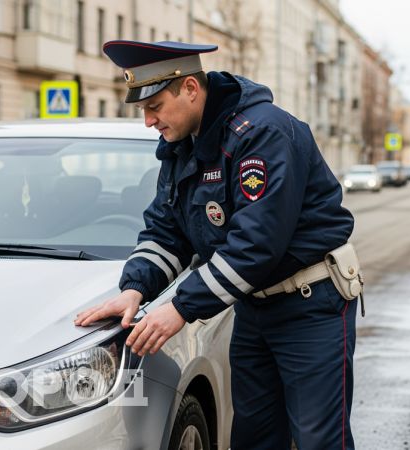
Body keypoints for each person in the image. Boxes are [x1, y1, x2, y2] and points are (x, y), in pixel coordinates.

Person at [73, 40, 360, 449]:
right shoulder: (182, 145)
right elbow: (166, 229)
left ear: (190, 88)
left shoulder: (261, 134)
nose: (149, 121)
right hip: (255, 307)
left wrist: (179, 308)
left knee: (319, 441)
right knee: (254, 438)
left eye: (154, 107)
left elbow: (256, 246)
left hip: (310, 307)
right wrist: (134, 288)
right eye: (142, 111)